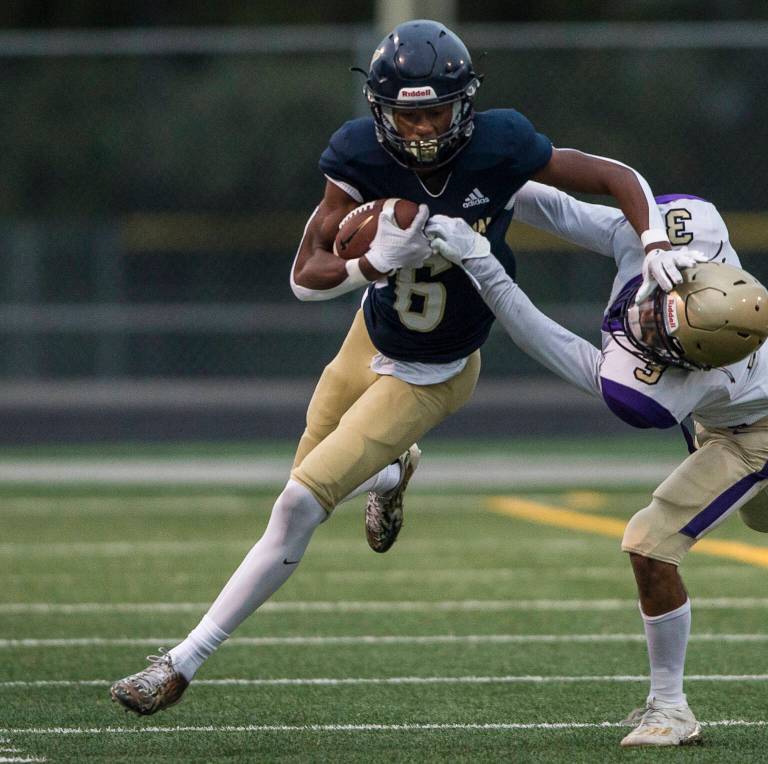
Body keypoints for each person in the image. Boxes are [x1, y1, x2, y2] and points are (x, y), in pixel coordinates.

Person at [109, 19, 679, 716]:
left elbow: (613, 177)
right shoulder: (359, 158)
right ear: (380, 111)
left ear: (464, 103)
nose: (422, 129)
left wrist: (652, 241)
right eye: (407, 115)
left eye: (436, 111)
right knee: (301, 489)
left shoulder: (498, 145)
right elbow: (304, 276)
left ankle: (180, 663)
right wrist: (373, 263)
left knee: (295, 507)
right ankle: (388, 471)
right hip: (365, 338)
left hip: (432, 371)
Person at [425, 181, 768, 748]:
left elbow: (545, 340)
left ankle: (671, 709)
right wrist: (496, 177)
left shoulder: (661, 392)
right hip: (758, 403)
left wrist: (483, 265)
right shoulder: (690, 229)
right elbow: (576, 212)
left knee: (650, 542)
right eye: (659, 314)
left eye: (659, 333)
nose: (644, 322)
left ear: (688, 364)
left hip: (757, 431)